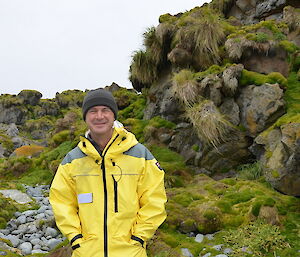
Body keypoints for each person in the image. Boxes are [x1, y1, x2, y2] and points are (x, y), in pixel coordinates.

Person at [49, 88, 167, 257]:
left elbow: (154, 200)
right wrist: (75, 238)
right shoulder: (72, 160)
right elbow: (61, 201)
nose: (99, 116)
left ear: (113, 115)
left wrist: (139, 237)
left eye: (105, 110)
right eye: (93, 111)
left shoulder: (140, 155)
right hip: (86, 253)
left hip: (131, 252)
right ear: (85, 117)